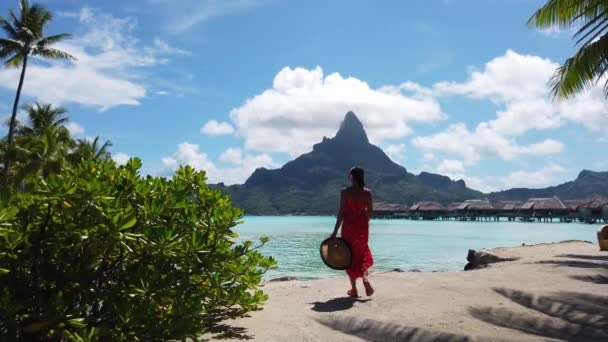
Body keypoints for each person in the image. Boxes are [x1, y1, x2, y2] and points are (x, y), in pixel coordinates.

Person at [330, 166, 374, 297]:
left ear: (352, 177)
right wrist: (363, 222)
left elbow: (342, 212)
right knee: (362, 252)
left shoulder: (345, 192)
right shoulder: (367, 193)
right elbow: (370, 212)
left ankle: (354, 289)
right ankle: (365, 279)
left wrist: (334, 232)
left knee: (348, 255)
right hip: (362, 227)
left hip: (349, 226)